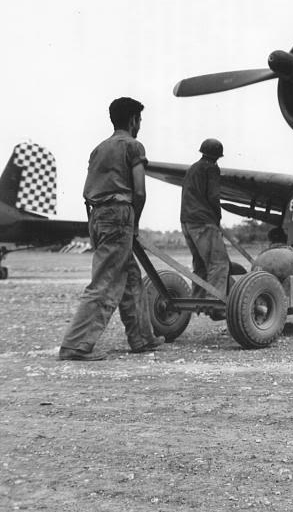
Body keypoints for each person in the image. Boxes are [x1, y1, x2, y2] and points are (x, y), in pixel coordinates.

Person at [58, 97, 160, 361]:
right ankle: (75, 345)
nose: (139, 125)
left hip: (97, 215)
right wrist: (134, 222)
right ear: (132, 120)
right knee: (105, 282)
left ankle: (142, 339)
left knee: (130, 277)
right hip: (118, 213)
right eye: (139, 120)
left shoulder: (99, 148)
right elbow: (139, 190)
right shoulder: (133, 146)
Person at [180, 138, 229, 300]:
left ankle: (197, 299)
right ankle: (215, 301)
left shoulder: (192, 168)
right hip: (203, 222)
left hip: (187, 221)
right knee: (219, 263)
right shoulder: (211, 168)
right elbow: (213, 197)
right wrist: (217, 218)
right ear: (217, 156)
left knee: (200, 263)